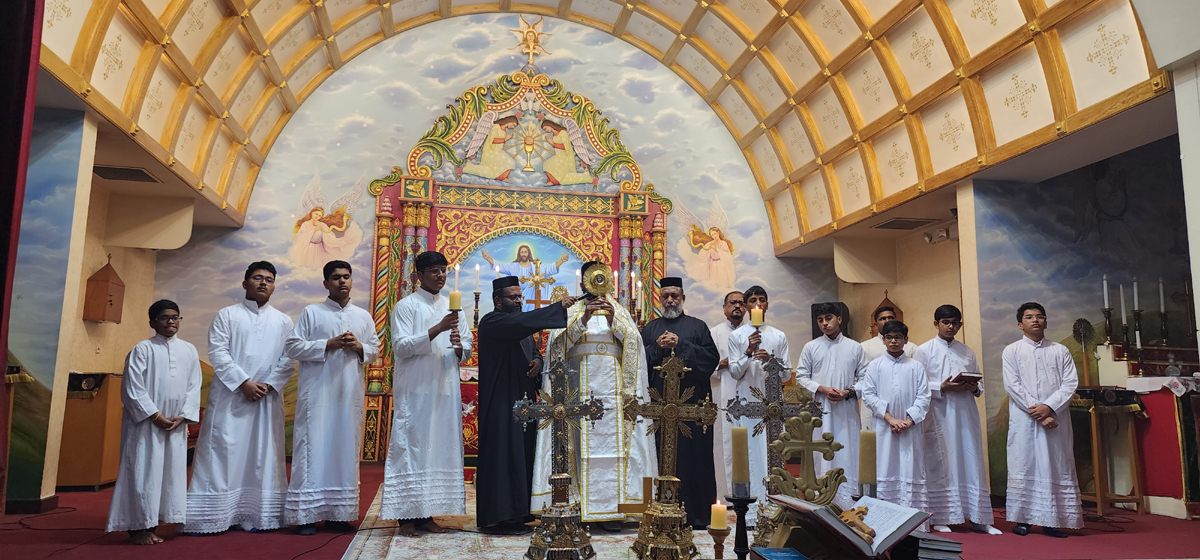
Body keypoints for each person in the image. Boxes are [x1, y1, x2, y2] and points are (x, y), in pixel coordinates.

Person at [533, 260, 657, 529]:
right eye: (591, 279)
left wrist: (614, 322)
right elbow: (556, 349)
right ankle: (577, 507)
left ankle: (614, 510)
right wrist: (582, 321)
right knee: (576, 449)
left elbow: (635, 345)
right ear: (582, 283)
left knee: (614, 451)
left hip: (613, 397)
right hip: (577, 393)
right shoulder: (571, 311)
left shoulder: (618, 310)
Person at [185, 261, 295, 534]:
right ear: (245, 283)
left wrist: (268, 385)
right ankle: (211, 517)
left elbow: (289, 358)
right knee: (223, 452)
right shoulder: (227, 315)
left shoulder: (283, 321)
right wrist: (244, 383)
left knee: (262, 455)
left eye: (269, 279)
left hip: (266, 399)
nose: (263, 283)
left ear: (274, 286)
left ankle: (257, 515)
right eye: (257, 278)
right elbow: (218, 352)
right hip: (230, 397)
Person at [283, 261, 380, 535]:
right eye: (336, 277)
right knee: (312, 449)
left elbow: (374, 349)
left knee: (344, 450)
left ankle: (338, 515)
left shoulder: (363, 316)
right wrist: (328, 344)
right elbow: (292, 346)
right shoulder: (311, 312)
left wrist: (359, 347)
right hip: (317, 396)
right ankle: (306, 516)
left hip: (348, 396)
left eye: (347, 276)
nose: (342, 281)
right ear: (326, 283)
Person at [381, 251, 474, 537]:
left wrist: (459, 346)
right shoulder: (406, 306)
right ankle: (406, 518)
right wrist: (438, 329)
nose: (441, 275)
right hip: (416, 389)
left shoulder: (453, 308)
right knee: (412, 447)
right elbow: (401, 347)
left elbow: (467, 347)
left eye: (444, 270)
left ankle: (427, 514)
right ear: (418, 275)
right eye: (434, 270)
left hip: (444, 387)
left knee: (437, 449)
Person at [475, 275, 577, 534]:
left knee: (522, 454)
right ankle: (499, 517)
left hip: (524, 401)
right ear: (498, 301)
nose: (519, 301)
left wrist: (538, 363)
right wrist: (557, 307)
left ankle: (520, 513)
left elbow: (534, 351)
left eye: (520, 296)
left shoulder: (520, 327)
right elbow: (519, 324)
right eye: (513, 297)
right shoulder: (492, 322)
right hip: (500, 403)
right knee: (503, 455)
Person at [106, 300, 202, 544]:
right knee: (143, 471)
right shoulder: (142, 350)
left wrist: (184, 415)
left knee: (170, 473)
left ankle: (159, 520)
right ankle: (138, 528)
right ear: (152, 322)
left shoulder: (189, 350)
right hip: (147, 424)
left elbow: (194, 386)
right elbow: (132, 388)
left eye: (175, 317)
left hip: (175, 424)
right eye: (164, 317)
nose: (171, 321)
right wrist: (155, 416)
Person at [640, 277, 720, 529]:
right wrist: (656, 347)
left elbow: (711, 360)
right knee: (658, 458)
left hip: (691, 412)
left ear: (683, 298)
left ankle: (696, 515)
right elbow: (637, 364)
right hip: (659, 412)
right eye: (665, 296)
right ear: (660, 299)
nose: (670, 300)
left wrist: (681, 345)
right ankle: (657, 512)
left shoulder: (698, 327)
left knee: (694, 461)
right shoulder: (650, 329)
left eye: (675, 296)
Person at [918, 305, 1001, 535]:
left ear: (960, 325)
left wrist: (973, 387)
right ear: (936, 324)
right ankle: (941, 516)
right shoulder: (924, 351)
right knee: (941, 461)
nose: (950, 326)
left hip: (965, 413)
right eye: (946, 322)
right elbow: (918, 385)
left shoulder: (967, 351)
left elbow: (980, 384)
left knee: (970, 459)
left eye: (955, 322)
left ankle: (978, 517)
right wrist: (941, 386)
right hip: (939, 413)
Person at [1003, 302, 1083, 538]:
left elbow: (1070, 383)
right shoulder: (1012, 351)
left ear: (1046, 322)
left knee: (1055, 465)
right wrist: (1038, 413)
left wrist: (1049, 408)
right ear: (1020, 324)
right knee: (1024, 463)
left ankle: (1052, 521)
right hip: (1025, 418)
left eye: (1040, 316)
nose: (1035, 320)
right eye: (1029, 317)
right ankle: (1023, 520)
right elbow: (1013, 385)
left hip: (1055, 419)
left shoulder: (1060, 351)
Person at [727, 285, 789, 522]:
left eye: (762, 300)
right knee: (750, 455)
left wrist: (771, 361)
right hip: (747, 404)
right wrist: (749, 352)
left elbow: (786, 374)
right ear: (745, 306)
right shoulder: (737, 336)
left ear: (767, 305)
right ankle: (751, 513)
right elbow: (734, 372)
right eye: (753, 300)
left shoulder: (778, 336)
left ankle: (775, 510)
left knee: (773, 452)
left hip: (772, 405)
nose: (758, 304)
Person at [794, 301, 865, 509]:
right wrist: (822, 389)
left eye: (828, 318)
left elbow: (866, 378)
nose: (824, 323)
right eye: (820, 320)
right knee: (820, 452)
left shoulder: (855, 347)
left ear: (839, 319)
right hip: (820, 409)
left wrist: (848, 392)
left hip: (846, 409)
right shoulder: (811, 347)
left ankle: (848, 502)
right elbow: (801, 377)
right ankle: (820, 499)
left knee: (847, 451)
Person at [860, 321, 931, 517]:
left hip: (910, 429)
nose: (893, 341)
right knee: (884, 466)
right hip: (885, 428)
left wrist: (909, 421)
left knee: (910, 468)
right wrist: (891, 419)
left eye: (898, 337)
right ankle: (883, 518)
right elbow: (868, 395)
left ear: (906, 340)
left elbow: (924, 397)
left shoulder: (916, 366)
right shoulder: (875, 366)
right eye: (889, 337)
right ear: (883, 340)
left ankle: (912, 520)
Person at [709, 291, 746, 500]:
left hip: (748, 395)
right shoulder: (714, 333)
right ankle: (724, 495)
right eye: (733, 303)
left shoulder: (753, 333)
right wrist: (721, 364)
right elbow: (706, 364)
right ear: (724, 307)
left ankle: (750, 493)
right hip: (722, 392)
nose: (737, 306)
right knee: (722, 443)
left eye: (741, 303)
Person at [859, 306, 920, 429]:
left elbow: (922, 389)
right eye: (883, 318)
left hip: (907, 410)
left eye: (891, 318)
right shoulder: (864, 347)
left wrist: (910, 419)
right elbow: (861, 379)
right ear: (875, 324)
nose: (887, 321)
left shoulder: (912, 348)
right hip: (875, 409)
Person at [482, 245, 569, 311]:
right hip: (518, 297)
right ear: (519, 254)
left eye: (525, 252)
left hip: (534, 296)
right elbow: (501, 266)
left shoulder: (536, 266)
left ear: (529, 253)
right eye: (522, 252)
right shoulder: (513, 266)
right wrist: (488, 258)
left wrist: (562, 260)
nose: (524, 254)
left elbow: (550, 268)